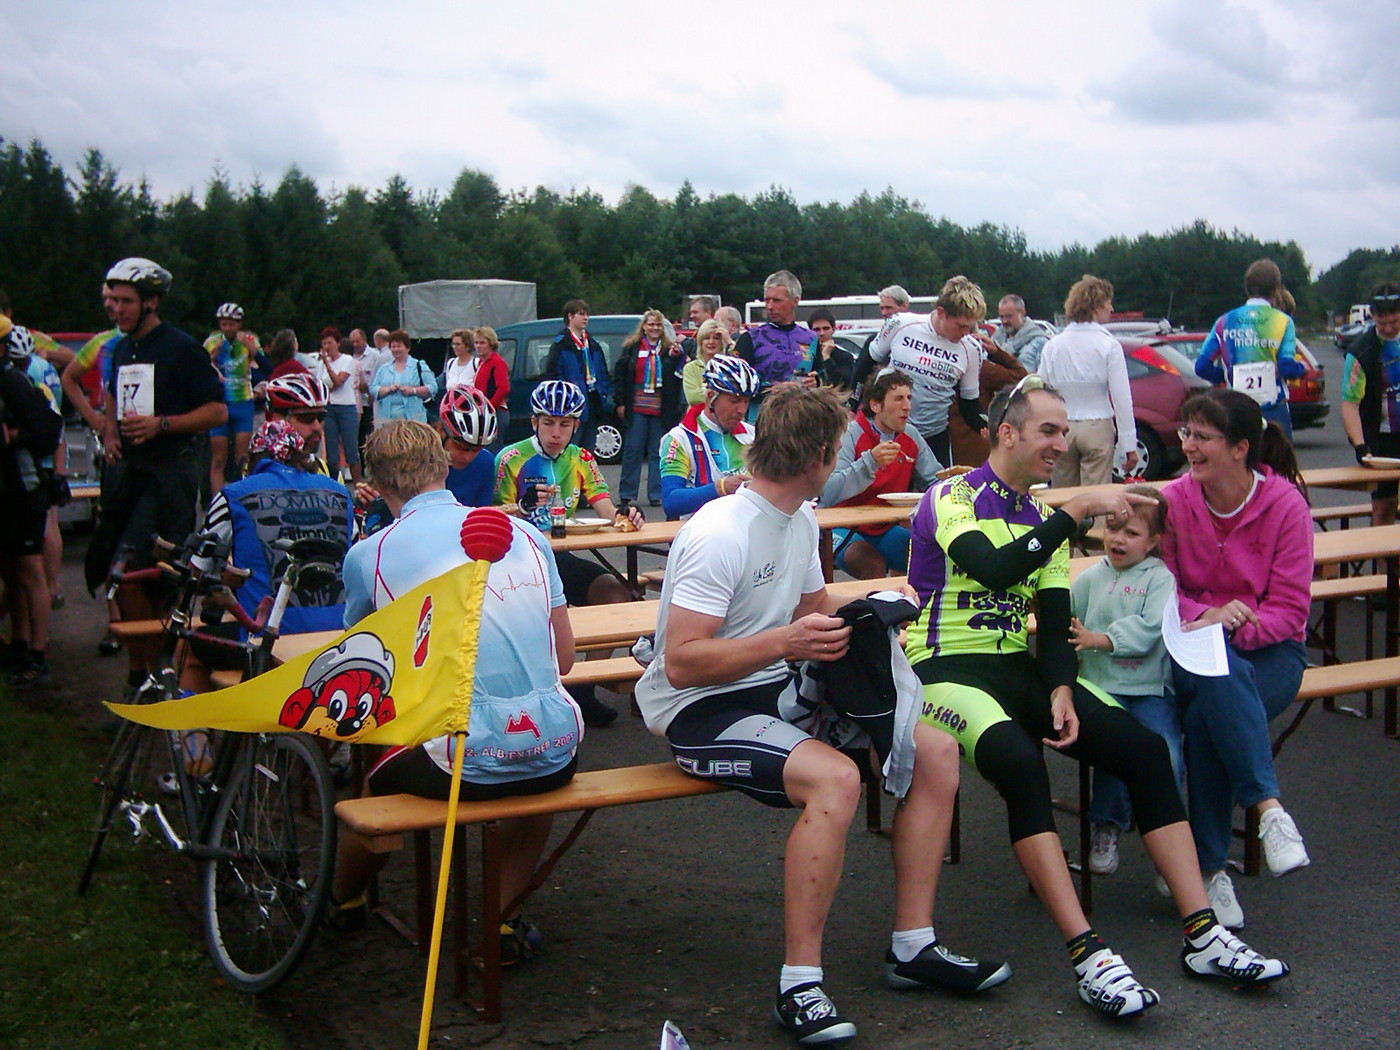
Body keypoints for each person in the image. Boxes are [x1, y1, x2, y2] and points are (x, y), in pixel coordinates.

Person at [636, 382, 1008, 1048]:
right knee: (836, 779)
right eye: (838, 448)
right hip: (698, 709)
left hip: (773, 687)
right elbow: (682, 664)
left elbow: (813, 610)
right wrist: (787, 641)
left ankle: (913, 946)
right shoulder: (720, 532)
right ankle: (798, 985)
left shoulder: (800, 518)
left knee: (934, 749)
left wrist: (877, 610)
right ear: (819, 456)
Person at [905, 375, 1289, 1017]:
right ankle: (1088, 954)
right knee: (1021, 762)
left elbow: (1056, 623)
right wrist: (1078, 507)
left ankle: (1203, 934)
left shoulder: (1040, 518)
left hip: (1015, 667)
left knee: (1143, 748)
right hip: (942, 667)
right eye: (1049, 431)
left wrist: (1060, 685)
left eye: (1065, 431)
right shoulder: (953, 494)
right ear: (1008, 433)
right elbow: (994, 569)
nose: (1061, 443)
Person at [329, 419, 582, 960]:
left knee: (375, 792)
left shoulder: (370, 553)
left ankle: (342, 898)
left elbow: (361, 659)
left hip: (455, 758)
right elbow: (564, 659)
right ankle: (501, 919)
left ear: (378, 483)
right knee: (533, 792)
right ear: (444, 465)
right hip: (555, 746)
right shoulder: (526, 535)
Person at [1159, 388, 1312, 929]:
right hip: (1192, 642)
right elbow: (1165, 588)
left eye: (1202, 437)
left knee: (1209, 713)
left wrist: (1237, 627)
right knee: (1216, 679)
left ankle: (1208, 869)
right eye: (1187, 433)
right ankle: (1267, 810)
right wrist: (1209, 616)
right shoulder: (1176, 501)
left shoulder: (1285, 506)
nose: (1188, 446)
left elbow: (1290, 610)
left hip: (1272, 652)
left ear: (1241, 448)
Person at [85, 258, 227, 693]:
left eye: (126, 301)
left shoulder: (181, 349)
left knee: (140, 575)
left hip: (170, 477)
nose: (116, 309)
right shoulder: (122, 347)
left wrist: (161, 425)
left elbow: (216, 411)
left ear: (151, 302)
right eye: (112, 300)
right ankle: (146, 675)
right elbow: (114, 393)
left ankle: (159, 678)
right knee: (116, 571)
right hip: (130, 475)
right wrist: (110, 431)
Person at [494, 380, 645, 728]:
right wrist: (520, 507)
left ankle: (581, 693)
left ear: (576, 426)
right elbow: (492, 516)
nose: (556, 433)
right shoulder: (511, 458)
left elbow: (604, 506)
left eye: (564, 424)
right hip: (517, 560)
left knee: (616, 595)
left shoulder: (581, 458)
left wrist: (626, 516)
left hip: (559, 556)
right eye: (548, 423)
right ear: (534, 422)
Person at [179, 418, 355, 698]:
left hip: (268, 638)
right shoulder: (340, 493)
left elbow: (197, 570)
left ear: (254, 459)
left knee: (189, 648)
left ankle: (202, 725)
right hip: (338, 635)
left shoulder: (233, 495)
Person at [1070, 486, 1182, 878]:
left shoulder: (1160, 579)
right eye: (1112, 528)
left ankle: (1170, 843)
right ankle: (1108, 824)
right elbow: (1069, 617)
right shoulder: (1089, 578)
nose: (1118, 539)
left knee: (1167, 752)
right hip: (1099, 687)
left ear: (1153, 541)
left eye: (1132, 533)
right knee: (1116, 750)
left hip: (1148, 689)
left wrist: (1101, 639)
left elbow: (1151, 628)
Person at [820, 368, 942, 579]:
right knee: (872, 564)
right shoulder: (851, 433)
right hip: (840, 526)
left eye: (909, 398)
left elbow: (934, 479)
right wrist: (870, 462)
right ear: (876, 405)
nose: (907, 406)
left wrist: (958, 481)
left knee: (929, 555)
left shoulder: (911, 435)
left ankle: (909, 600)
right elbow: (828, 492)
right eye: (898, 399)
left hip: (883, 527)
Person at [0, 322, 64, 687]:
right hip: (8, 492)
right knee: (11, 570)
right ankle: (20, 644)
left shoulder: (14, 383)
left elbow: (49, 430)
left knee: (29, 570)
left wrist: (16, 436)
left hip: (24, 490)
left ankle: (39, 655)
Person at [868, 275, 986, 466]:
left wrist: (988, 427)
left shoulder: (971, 349)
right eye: (961, 326)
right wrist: (852, 405)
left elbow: (969, 405)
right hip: (890, 431)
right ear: (941, 313)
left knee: (938, 485)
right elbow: (866, 364)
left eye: (970, 326)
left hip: (934, 436)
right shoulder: (901, 323)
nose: (966, 332)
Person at [1036, 274, 1137, 486]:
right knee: (1098, 496)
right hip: (1097, 427)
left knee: (1063, 494)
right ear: (1096, 307)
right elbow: (1122, 398)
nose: (1111, 308)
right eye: (1108, 303)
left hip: (1062, 427)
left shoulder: (1053, 345)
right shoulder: (1109, 345)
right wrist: (1129, 444)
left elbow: (1041, 392)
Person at [1195, 258, 1304, 439]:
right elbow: (1287, 368)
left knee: (1240, 455)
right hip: (1273, 406)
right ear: (1276, 290)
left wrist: (1227, 376)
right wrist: (1301, 369)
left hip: (1236, 407)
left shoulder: (1224, 321)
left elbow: (1201, 367)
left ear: (1247, 289)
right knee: (1279, 456)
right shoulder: (1284, 321)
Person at [659, 356, 758, 518]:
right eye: (735, 400)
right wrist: (721, 487)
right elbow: (671, 501)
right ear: (711, 397)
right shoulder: (680, 438)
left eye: (746, 401)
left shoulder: (752, 435)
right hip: (699, 528)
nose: (742, 410)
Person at [1340, 281, 1400, 525]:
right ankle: (1380, 551)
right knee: (1384, 506)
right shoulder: (1361, 351)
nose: (1388, 328)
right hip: (1383, 436)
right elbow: (1350, 404)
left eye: (1394, 322)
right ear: (1372, 316)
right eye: (1381, 323)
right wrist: (1360, 445)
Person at [614, 309, 684, 508]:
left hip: (661, 409)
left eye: (658, 325)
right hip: (636, 407)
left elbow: (677, 377)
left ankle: (656, 494)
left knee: (658, 452)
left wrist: (675, 358)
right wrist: (620, 402)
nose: (654, 328)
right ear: (643, 327)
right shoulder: (632, 348)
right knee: (633, 450)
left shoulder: (669, 350)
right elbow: (620, 376)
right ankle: (627, 494)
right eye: (651, 324)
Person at [734, 271, 818, 406]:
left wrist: (816, 382)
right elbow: (734, 382)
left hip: (800, 414)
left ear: (795, 301)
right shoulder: (751, 338)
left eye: (777, 300)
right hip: (761, 414)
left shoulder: (811, 339)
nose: (770, 307)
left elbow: (825, 379)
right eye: (767, 300)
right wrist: (772, 389)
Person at [203, 303, 260, 493]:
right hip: (221, 402)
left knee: (241, 457)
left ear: (239, 324)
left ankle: (243, 497)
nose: (227, 328)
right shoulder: (213, 341)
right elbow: (202, 366)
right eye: (224, 324)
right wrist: (215, 352)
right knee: (218, 458)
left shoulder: (249, 339)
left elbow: (261, 362)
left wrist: (249, 346)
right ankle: (217, 501)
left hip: (243, 401)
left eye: (231, 324)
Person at [543, 300, 611, 454]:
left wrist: (603, 392)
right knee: (569, 448)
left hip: (592, 402)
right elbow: (554, 375)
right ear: (570, 316)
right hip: (571, 405)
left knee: (587, 450)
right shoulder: (561, 344)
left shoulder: (592, 343)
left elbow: (603, 371)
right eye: (581, 314)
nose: (586, 318)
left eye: (587, 314)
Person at [849, 284, 913, 403]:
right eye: (882, 308)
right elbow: (860, 374)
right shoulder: (874, 341)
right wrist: (853, 403)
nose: (884, 313)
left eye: (888, 308)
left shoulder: (918, 339)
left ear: (904, 306)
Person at [439, 386, 499, 507]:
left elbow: (481, 509)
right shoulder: (419, 464)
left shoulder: (484, 462)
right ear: (441, 432)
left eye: (477, 450)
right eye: (462, 447)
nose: (468, 458)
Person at [263, 373, 331, 474]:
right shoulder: (252, 472)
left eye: (321, 417)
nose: (317, 427)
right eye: (307, 418)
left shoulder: (330, 474)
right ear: (277, 419)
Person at [370, 329, 437, 426]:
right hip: (387, 422)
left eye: (399, 346)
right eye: (393, 347)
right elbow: (373, 388)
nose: (395, 349)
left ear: (407, 348)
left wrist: (412, 390)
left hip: (413, 420)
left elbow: (433, 388)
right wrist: (388, 390)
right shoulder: (383, 368)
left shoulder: (419, 365)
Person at [317, 336, 362, 482]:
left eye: (330, 343)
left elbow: (338, 381)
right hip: (329, 407)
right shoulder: (321, 364)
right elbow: (319, 384)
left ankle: (358, 485)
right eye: (324, 343)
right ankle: (334, 483)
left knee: (351, 450)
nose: (327, 346)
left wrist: (327, 365)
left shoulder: (347, 360)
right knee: (331, 452)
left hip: (346, 408)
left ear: (338, 343)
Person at [992, 295, 1051, 373]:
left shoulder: (1040, 342)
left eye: (1009, 316)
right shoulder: (995, 339)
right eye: (1002, 317)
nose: (1004, 321)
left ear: (1022, 312)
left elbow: (1044, 376)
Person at [349, 327, 384, 451]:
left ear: (364, 340)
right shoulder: (350, 356)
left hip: (369, 403)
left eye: (357, 341)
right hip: (354, 403)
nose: (355, 344)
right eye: (353, 342)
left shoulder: (375, 356)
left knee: (369, 435)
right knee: (356, 437)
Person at [806, 309, 855, 391]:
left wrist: (827, 357)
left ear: (833, 329)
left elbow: (843, 384)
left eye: (826, 328)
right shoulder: (806, 356)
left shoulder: (845, 357)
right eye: (817, 329)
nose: (822, 333)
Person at [682, 318, 729, 405]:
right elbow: (693, 398)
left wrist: (730, 342)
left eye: (716, 338)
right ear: (700, 342)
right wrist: (723, 393)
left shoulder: (728, 367)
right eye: (706, 338)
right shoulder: (690, 368)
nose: (711, 342)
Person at [442, 327, 479, 392]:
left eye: (458, 344)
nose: (454, 347)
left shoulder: (476, 363)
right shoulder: (450, 363)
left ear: (467, 346)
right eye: (453, 344)